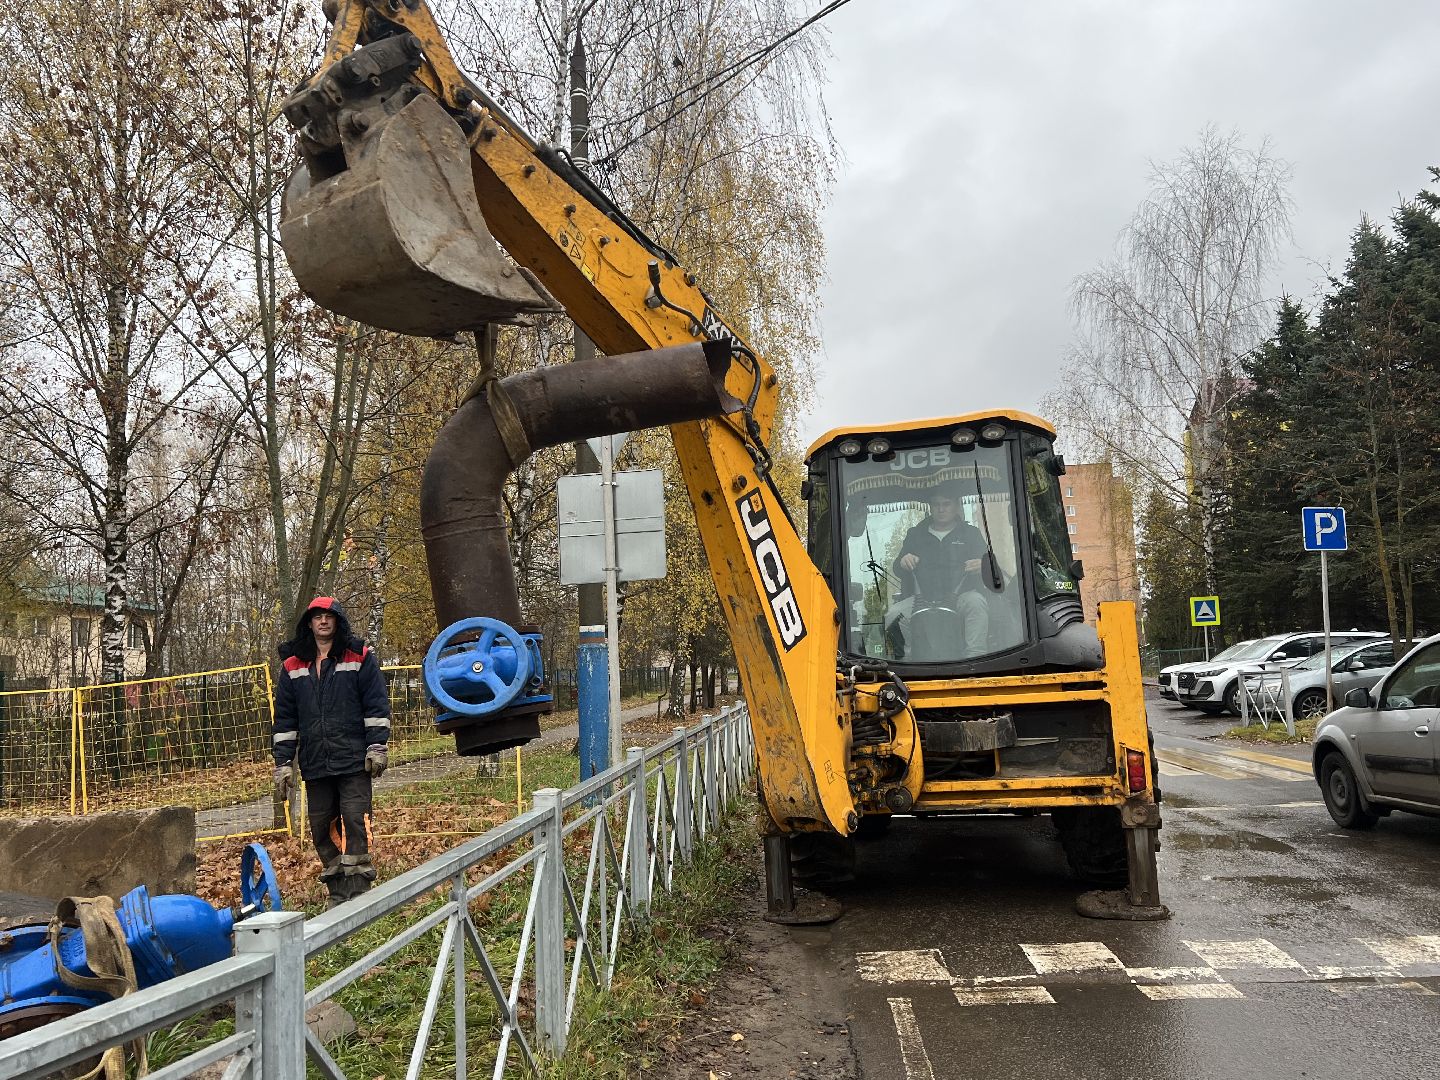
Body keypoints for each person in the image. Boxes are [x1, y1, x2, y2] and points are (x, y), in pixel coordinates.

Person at [272, 597, 391, 907]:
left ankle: (359, 893)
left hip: (354, 760)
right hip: (316, 764)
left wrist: (377, 746)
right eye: (317, 617)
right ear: (309, 623)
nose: (323, 621)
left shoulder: (359, 656)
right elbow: (285, 720)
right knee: (322, 827)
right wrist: (283, 763)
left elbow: (376, 705)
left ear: (338, 621)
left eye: (329, 616)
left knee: (354, 821)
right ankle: (338, 894)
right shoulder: (292, 666)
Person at [893, 483, 990, 655]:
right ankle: (905, 661)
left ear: (956, 506)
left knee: (976, 602)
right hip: (920, 599)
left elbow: (991, 568)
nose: (941, 509)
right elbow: (897, 568)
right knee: (893, 615)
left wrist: (982, 565)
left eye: (946, 504)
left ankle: (976, 657)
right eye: (936, 504)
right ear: (930, 507)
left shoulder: (971, 533)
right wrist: (903, 561)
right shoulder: (915, 534)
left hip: (960, 598)